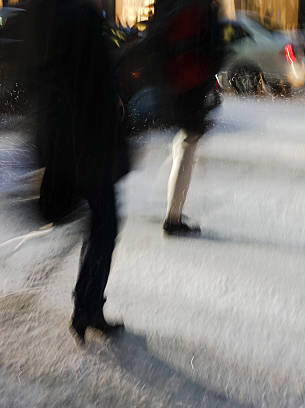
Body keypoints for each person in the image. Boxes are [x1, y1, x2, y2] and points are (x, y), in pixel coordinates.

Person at [29, 0, 130, 343]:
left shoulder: (61, 12)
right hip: (87, 144)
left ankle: (87, 307)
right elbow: (84, 81)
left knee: (103, 225)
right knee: (106, 224)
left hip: (78, 142)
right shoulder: (75, 14)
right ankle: (87, 308)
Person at [147, 0, 224, 235]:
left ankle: (171, 208)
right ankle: (172, 218)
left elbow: (155, 40)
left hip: (172, 86)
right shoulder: (200, 8)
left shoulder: (171, 5)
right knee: (186, 146)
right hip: (190, 88)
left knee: (182, 145)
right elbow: (215, 51)